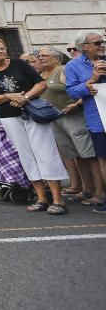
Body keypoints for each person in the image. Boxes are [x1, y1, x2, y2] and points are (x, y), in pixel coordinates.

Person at [0, 37, 69, 215]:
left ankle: (58, 199)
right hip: (9, 117)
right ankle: (41, 198)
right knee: (25, 154)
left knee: (45, 151)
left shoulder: (19, 64)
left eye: (3, 48)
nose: (1, 51)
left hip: (32, 112)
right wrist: (8, 96)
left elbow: (41, 84)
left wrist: (25, 97)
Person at [38, 47, 103, 205]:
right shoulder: (41, 74)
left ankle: (99, 191)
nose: (40, 58)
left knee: (89, 155)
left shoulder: (64, 70)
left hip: (73, 117)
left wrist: (76, 104)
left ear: (56, 57)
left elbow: (81, 89)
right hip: (56, 119)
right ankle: (86, 189)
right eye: (39, 56)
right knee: (76, 155)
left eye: (44, 55)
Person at [65, 30, 106, 214]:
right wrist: (92, 79)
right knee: (104, 160)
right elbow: (72, 92)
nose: (102, 45)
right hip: (97, 119)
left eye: (102, 42)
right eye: (97, 43)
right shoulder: (73, 66)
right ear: (84, 47)